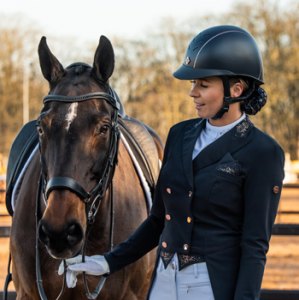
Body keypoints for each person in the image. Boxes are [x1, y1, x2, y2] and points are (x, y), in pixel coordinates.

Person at [59, 25, 285, 300]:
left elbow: (255, 245)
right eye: (193, 84)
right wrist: (108, 262)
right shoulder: (179, 135)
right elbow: (158, 221)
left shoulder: (263, 152)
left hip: (212, 286)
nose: (193, 92)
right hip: (163, 280)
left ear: (236, 89)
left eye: (203, 84)